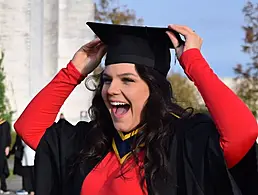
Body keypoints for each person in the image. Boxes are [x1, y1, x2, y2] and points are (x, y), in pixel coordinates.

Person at [14, 22, 258, 195]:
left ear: (154, 89)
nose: (110, 90)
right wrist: (73, 71)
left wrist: (194, 62)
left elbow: (242, 132)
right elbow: (30, 128)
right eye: (107, 80)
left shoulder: (183, 144)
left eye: (127, 80)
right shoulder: (92, 143)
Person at [0, 119, 11, 194]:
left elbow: (8, 135)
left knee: (2, 168)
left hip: (2, 150)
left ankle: (3, 187)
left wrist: (7, 146)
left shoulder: (5, 124)